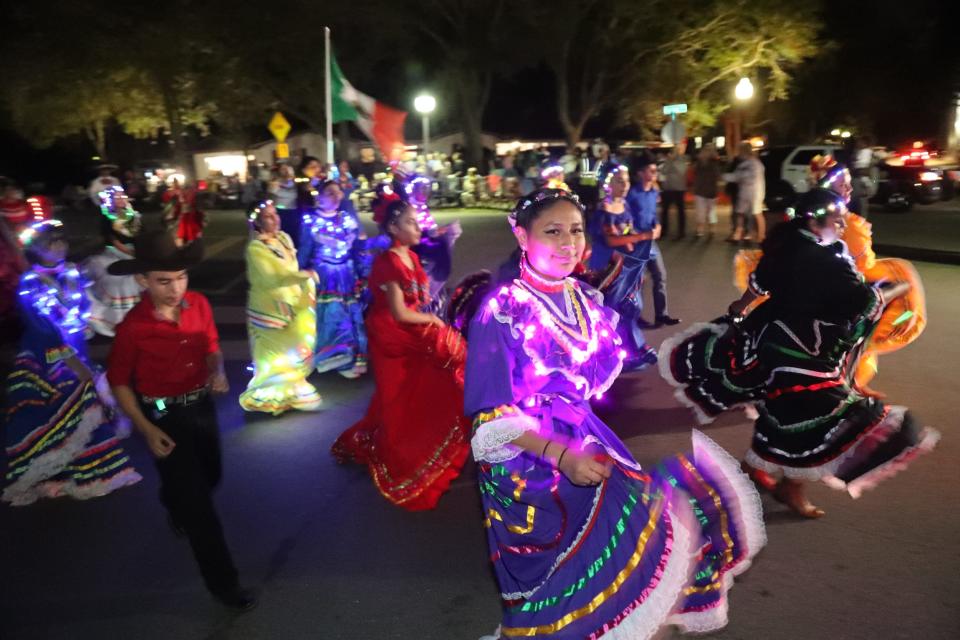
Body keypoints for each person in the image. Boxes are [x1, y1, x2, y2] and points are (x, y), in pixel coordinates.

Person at [465, 188, 765, 638]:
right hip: (528, 458)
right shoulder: (502, 311)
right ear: (522, 236)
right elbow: (488, 416)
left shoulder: (583, 299)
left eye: (576, 231)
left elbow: (591, 374)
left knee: (641, 528)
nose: (568, 243)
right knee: (565, 571)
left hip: (582, 437)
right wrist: (562, 456)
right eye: (553, 232)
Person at [661, 189, 939, 519]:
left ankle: (755, 470)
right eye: (837, 220)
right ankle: (791, 487)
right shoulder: (826, 259)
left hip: (770, 341)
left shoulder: (785, 246)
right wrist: (888, 291)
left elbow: (758, 285)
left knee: (782, 410)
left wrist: (737, 311)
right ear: (816, 220)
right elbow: (861, 303)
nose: (841, 225)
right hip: (803, 353)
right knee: (819, 419)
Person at [106, 231, 257, 611]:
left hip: (200, 407)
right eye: (164, 281)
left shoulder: (200, 305)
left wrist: (217, 369)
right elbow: (119, 382)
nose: (176, 289)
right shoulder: (132, 329)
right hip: (162, 416)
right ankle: (225, 584)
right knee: (200, 509)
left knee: (212, 477)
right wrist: (147, 429)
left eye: (181, 277)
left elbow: (210, 346)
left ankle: (172, 498)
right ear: (142, 280)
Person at [331, 199, 470, 511]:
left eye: (417, 221)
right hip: (392, 336)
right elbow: (399, 313)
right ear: (393, 228)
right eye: (410, 222)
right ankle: (403, 456)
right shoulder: (388, 263)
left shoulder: (412, 257)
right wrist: (435, 322)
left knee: (426, 386)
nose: (418, 227)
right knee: (398, 398)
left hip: (410, 332)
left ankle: (426, 440)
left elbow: (419, 301)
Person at [4, 219, 141, 506]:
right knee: (68, 405)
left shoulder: (72, 274)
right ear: (37, 250)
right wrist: (72, 360)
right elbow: (42, 329)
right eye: (51, 243)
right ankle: (60, 473)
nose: (59, 246)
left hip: (77, 349)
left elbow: (84, 308)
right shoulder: (30, 284)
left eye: (61, 241)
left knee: (85, 406)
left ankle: (86, 471)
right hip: (47, 359)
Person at [240, 201, 322, 414]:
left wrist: (302, 285)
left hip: (292, 304)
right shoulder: (256, 248)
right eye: (268, 216)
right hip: (269, 310)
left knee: (293, 350)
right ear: (258, 223)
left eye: (275, 214)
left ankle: (292, 392)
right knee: (273, 356)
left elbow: (290, 268)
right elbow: (272, 277)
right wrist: (304, 275)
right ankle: (270, 397)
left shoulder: (284, 238)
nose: (275, 219)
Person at [298, 180, 374, 378]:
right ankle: (326, 358)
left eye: (338, 193)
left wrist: (364, 269)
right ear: (320, 197)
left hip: (345, 275)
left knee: (347, 315)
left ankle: (346, 358)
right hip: (323, 275)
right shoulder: (311, 220)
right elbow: (305, 249)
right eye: (330, 193)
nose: (336, 196)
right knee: (327, 316)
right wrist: (298, 271)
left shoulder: (345, 218)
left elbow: (358, 246)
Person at [587, 165, 659, 368]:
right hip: (607, 268)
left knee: (630, 307)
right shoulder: (603, 210)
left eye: (626, 180)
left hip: (627, 266)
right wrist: (642, 237)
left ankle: (635, 347)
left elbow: (629, 230)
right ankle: (616, 354)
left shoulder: (624, 205)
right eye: (619, 180)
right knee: (614, 310)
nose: (625, 185)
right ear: (607, 185)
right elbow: (611, 240)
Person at [626, 153, 680, 327]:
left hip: (651, 243)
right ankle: (635, 318)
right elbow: (625, 217)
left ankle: (661, 314)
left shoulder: (653, 192)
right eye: (652, 170)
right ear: (641, 173)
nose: (655, 173)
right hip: (636, 243)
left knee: (660, 276)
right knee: (637, 283)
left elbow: (652, 215)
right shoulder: (632, 194)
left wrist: (657, 226)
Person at [82, 186, 144, 337]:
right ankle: (116, 320)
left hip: (135, 250)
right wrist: (130, 252)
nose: (121, 198)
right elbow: (114, 241)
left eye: (122, 195)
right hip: (116, 251)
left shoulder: (133, 215)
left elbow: (141, 234)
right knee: (122, 279)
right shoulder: (108, 217)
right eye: (116, 197)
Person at [405, 175, 461, 307]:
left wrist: (439, 230)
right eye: (422, 189)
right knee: (440, 248)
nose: (425, 192)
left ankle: (438, 282)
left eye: (426, 189)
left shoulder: (421, 206)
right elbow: (416, 230)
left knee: (445, 240)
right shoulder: (410, 207)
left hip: (423, 238)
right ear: (414, 190)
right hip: (415, 242)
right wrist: (433, 233)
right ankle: (436, 280)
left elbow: (430, 226)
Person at [725, 142, 765, 243]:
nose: (738, 153)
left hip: (754, 193)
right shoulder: (745, 163)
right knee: (741, 213)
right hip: (745, 192)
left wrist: (724, 177)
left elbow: (742, 177)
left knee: (756, 214)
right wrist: (726, 177)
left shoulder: (754, 163)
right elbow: (736, 176)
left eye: (740, 151)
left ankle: (761, 236)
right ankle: (739, 233)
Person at [162, 181, 205, 246]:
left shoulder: (192, 198)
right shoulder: (181, 199)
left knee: (189, 237)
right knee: (183, 237)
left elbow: (199, 212)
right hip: (185, 221)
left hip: (189, 221)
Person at [692, 144, 722, 238]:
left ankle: (701, 230)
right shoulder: (713, 162)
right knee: (710, 211)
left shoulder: (702, 162)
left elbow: (694, 172)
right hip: (708, 190)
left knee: (704, 211)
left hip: (702, 190)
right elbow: (718, 176)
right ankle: (709, 229)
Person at [660, 144, 689, 239]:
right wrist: (669, 161)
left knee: (681, 211)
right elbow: (664, 171)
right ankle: (664, 231)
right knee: (664, 211)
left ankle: (681, 232)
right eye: (672, 151)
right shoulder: (668, 160)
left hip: (679, 189)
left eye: (676, 151)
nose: (674, 153)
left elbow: (681, 171)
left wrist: (672, 162)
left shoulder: (683, 160)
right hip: (668, 188)